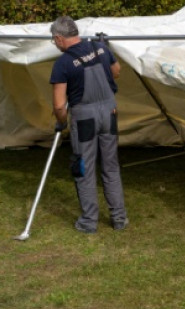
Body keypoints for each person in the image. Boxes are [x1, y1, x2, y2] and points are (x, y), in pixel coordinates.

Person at [49, 16, 128, 233]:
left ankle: (89, 221)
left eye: (53, 41)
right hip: (109, 113)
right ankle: (119, 218)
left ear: (59, 38)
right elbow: (117, 71)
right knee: (110, 166)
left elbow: (58, 105)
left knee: (83, 169)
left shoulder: (63, 63)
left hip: (84, 119)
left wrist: (61, 122)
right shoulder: (100, 47)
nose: (55, 45)